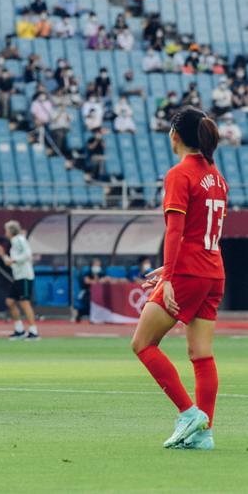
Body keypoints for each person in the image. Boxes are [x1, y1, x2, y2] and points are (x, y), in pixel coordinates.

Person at [130, 106, 226, 450]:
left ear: (174, 135)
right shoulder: (216, 176)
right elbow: (203, 232)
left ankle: (188, 413)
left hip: (187, 271)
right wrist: (168, 268)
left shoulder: (180, 173)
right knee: (201, 354)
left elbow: (176, 230)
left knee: (142, 343)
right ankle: (204, 434)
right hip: (213, 269)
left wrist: (170, 276)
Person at [0, 221, 39, 340]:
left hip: (25, 276)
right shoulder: (15, 242)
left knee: (25, 303)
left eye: (7, 230)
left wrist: (14, 260)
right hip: (18, 276)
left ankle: (33, 331)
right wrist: (3, 255)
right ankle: (19, 330)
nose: (5, 233)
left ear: (11, 231)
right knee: (10, 302)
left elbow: (27, 254)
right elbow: (9, 262)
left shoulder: (19, 239)